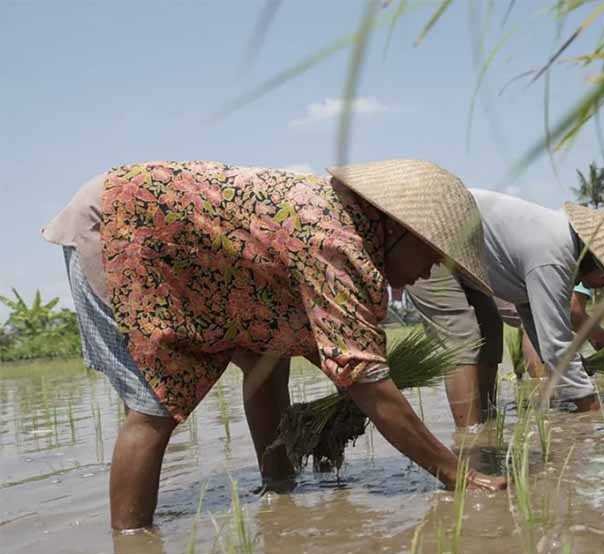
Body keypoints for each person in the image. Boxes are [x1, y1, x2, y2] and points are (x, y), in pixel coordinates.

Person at [42, 159, 507, 530]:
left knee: (267, 360)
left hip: (186, 252)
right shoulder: (335, 240)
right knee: (152, 407)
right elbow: (367, 379)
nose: (431, 272)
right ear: (400, 228)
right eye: (432, 256)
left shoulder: (352, 227)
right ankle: (132, 547)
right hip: (122, 228)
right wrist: (456, 474)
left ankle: (278, 484)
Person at [406, 189, 604, 428]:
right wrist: (593, 414)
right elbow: (556, 346)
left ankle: (487, 421)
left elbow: (533, 319)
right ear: (596, 257)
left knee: (489, 327)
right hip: (427, 236)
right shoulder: (555, 255)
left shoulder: (560, 247)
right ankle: (471, 439)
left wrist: (578, 366)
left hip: (462, 256)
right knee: (462, 339)